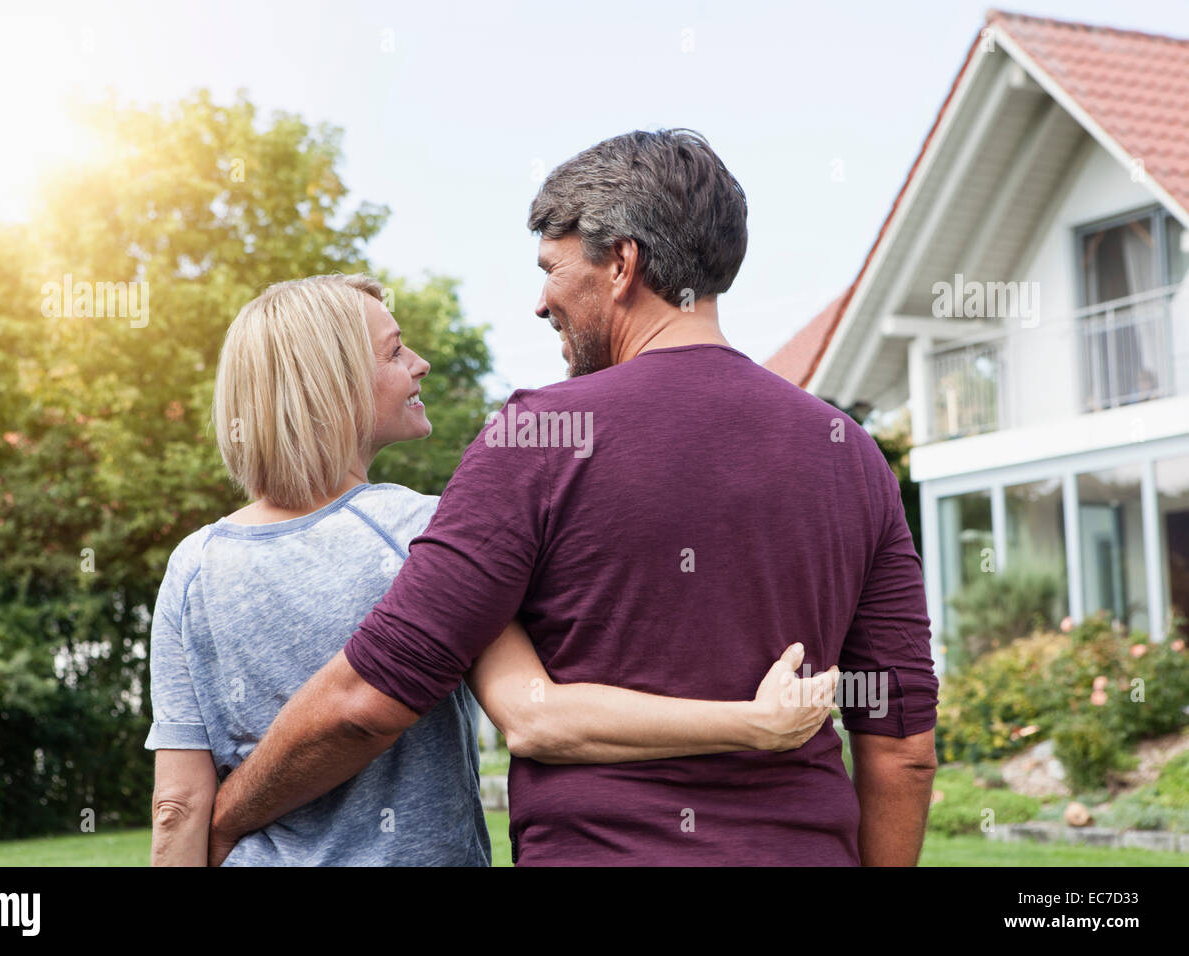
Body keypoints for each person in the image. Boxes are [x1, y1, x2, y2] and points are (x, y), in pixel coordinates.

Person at [207, 129, 941, 867]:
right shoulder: (851, 456)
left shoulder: (538, 441)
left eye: (552, 269)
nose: (540, 303)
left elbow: (369, 702)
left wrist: (227, 813)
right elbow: (902, 745)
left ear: (621, 263)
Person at [146, 272, 838, 866]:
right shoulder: (423, 533)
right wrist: (752, 723)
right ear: (331, 384)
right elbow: (537, 718)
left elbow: (177, 805)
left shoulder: (194, 565)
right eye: (395, 351)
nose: (419, 363)